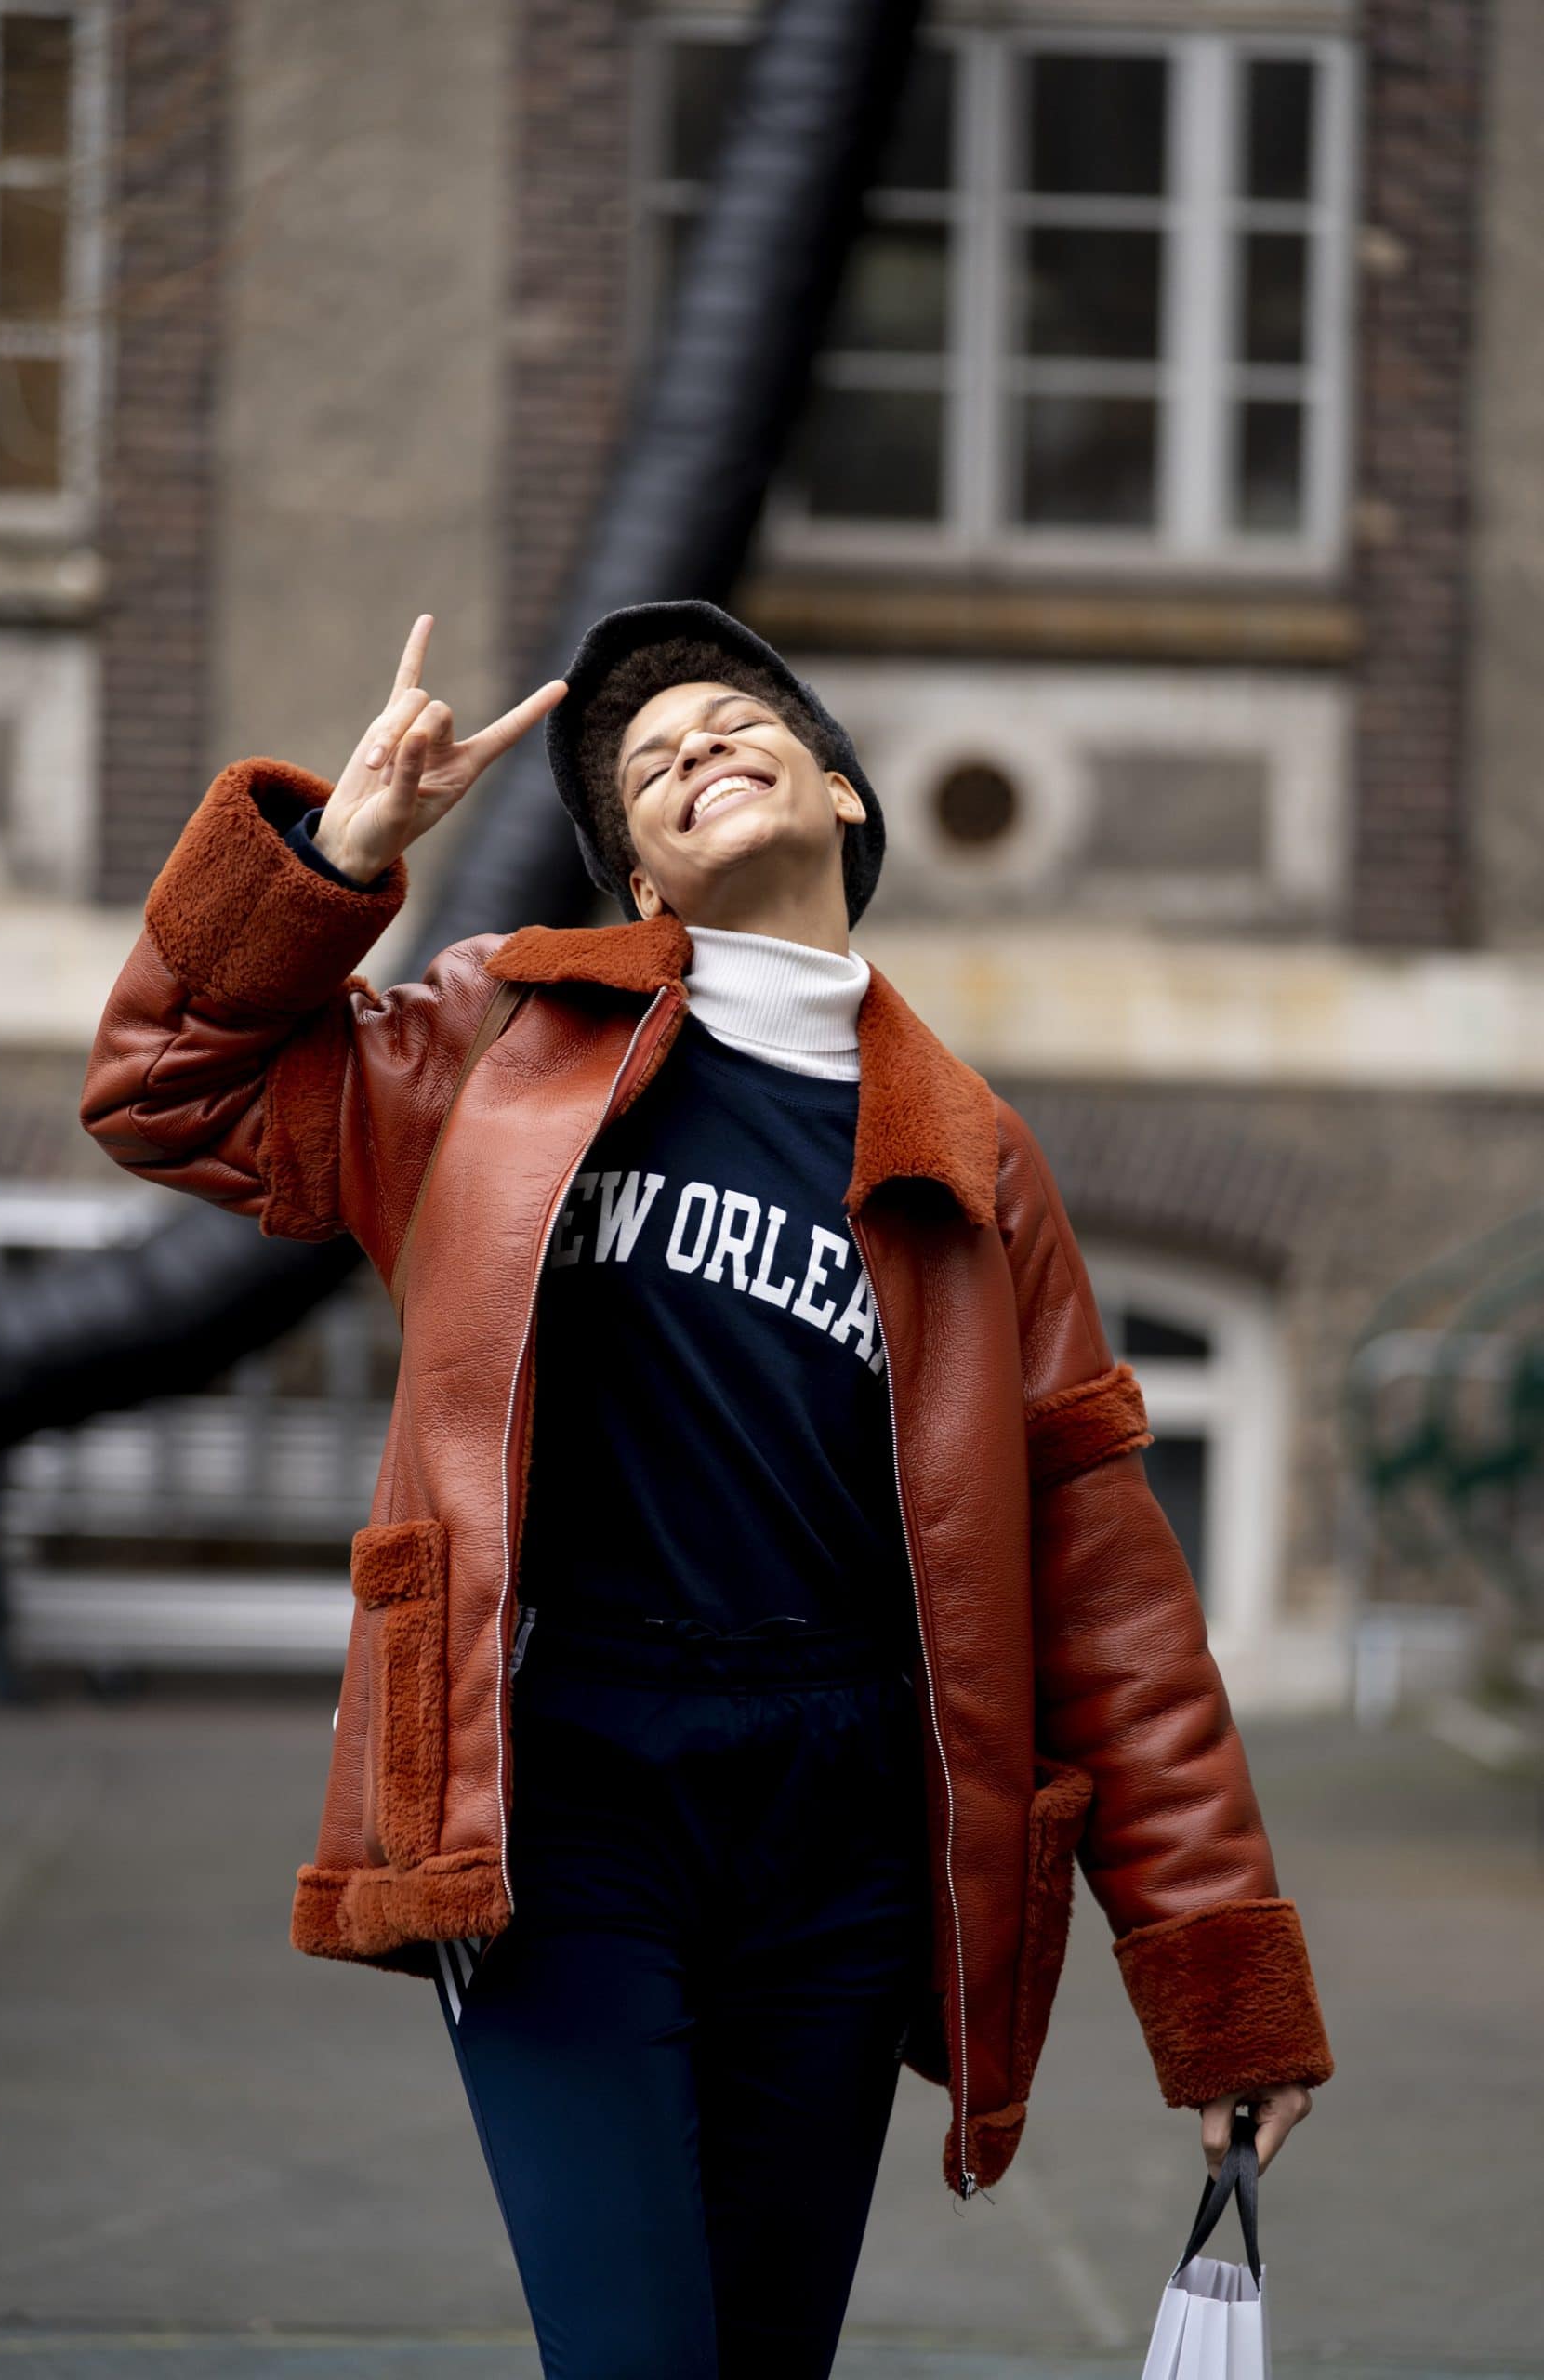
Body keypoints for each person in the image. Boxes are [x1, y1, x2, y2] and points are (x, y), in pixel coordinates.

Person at [81, 600, 1334, 2380]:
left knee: (764, 2357)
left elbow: (1107, 1600)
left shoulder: (974, 1159)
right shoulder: (502, 1040)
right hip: (559, 1784)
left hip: (844, 1820)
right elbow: (164, 1092)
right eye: (650, 765)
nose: (694, 748)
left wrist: (1223, 1991)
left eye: (736, 724)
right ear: (642, 881)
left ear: (842, 794)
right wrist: (336, 859)